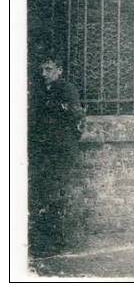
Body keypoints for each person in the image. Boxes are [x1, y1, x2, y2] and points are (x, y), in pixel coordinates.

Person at [28, 58, 85, 257]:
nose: (44, 73)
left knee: (56, 194)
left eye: (49, 69)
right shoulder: (43, 91)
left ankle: (57, 242)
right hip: (45, 151)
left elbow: (78, 119)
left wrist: (66, 142)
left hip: (61, 151)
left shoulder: (67, 89)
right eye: (42, 69)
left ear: (59, 70)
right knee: (44, 193)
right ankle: (46, 242)